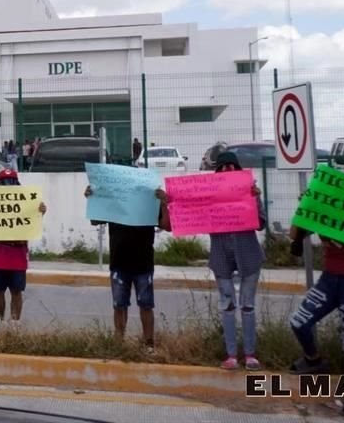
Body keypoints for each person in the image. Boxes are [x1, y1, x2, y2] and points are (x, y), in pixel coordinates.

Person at [173, 151, 265, 370]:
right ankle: (231, 355)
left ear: (238, 169)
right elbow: (190, 208)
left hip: (248, 255)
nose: (227, 171)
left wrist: (254, 198)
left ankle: (250, 354)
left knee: (248, 306)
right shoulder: (211, 194)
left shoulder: (249, 192)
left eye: (231, 167)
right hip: (221, 256)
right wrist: (173, 200)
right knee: (227, 305)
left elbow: (261, 223)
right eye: (222, 167)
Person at [288, 201, 344, 418]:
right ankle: (313, 360)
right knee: (298, 322)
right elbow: (294, 234)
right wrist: (303, 208)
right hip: (329, 279)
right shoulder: (325, 210)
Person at [85, 181, 169, 349]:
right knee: (119, 306)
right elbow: (94, 220)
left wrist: (164, 204)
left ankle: (148, 345)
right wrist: (92, 198)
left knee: (146, 305)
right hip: (119, 263)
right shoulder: (115, 202)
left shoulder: (150, 202)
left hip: (143, 264)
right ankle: (119, 344)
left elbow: (167, 225)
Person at [0, 168, 47, 336]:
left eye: (11, 181)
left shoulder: (26, 199)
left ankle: (15, 323)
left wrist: (41, 210)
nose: (8, 185)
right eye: (5, 182)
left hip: (18, 252)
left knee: (16, 290)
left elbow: (33, 219)